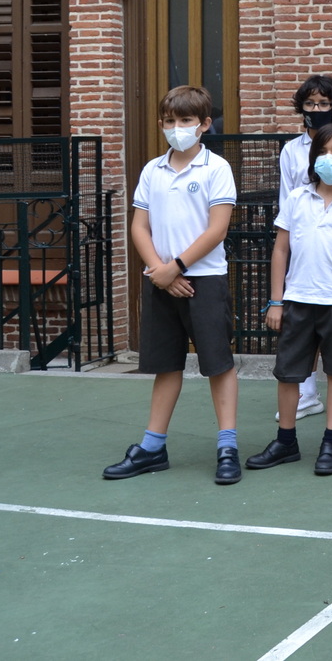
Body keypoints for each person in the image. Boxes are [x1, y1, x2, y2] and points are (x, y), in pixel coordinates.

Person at [104, 85, 240, 485]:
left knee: (218, 364)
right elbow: (139, 226)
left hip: (205, 281)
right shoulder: (152, 170)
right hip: (160, 280)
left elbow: (217, 229)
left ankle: (227, 447)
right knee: (165, 365)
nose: (177, 128)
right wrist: (160, 271)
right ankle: (152, 447)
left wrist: (178, 266)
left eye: (186, 120)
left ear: (204, 124)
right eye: (170, 121)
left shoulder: (217, 168)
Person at [250, 123, 332, 476]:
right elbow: (280, 250)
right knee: (289, 373)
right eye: (323, 151)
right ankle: (285, 441)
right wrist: (276, 301)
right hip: (298, 299)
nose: (329, 158)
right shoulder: (297, 198)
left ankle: (330, 443)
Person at [277, 75, 332, 424]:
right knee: (301, 328)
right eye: (310, 103)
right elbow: (287, 196)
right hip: (303, 241)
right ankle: (306, 393)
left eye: (323, 103)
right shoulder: (291, 150)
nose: (316, 109)